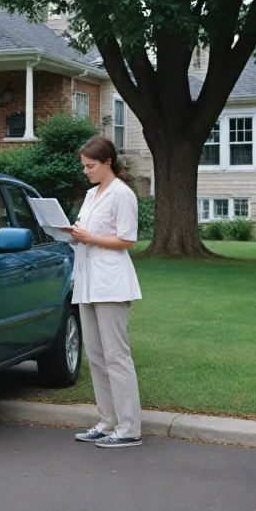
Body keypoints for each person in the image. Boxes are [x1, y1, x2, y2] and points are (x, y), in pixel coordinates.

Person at [63, 136, 143, 448]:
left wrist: (89, 237)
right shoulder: (91, 194)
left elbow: (127, 240)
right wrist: (74, 239)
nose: (86, 171)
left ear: (107, 162)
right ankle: (108, 421)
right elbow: (85, 237)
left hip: (111, 284)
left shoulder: (122, 194)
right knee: (95, 356)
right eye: (84, 166)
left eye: (90, 165)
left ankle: (129, 428)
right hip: (87, 283)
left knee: (116, 356)